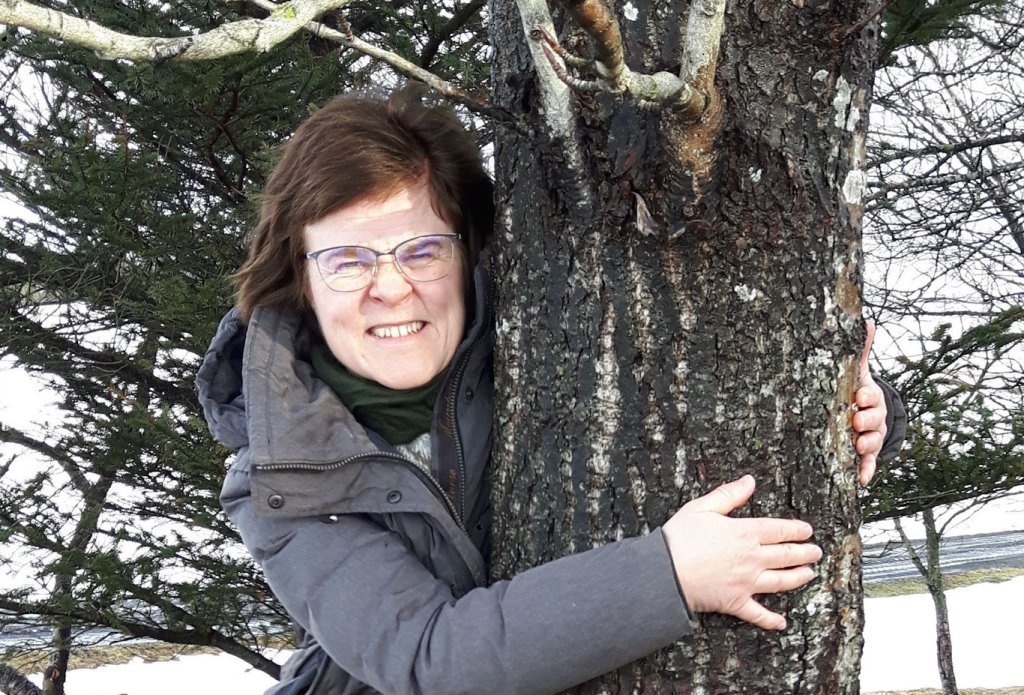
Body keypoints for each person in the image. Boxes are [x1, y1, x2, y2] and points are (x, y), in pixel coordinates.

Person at [197, 88, 906, 695]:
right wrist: (668, 576)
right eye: (348, 260)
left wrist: (865, 412)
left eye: (422, 250)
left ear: (468, 252)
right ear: (303, 279)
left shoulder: (544, 335)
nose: (390, 287)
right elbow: (431, 658)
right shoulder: (279, 476)